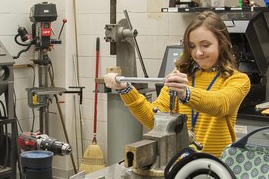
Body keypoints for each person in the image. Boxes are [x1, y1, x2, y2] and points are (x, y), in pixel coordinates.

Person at [104, 11, 251, 158]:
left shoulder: (237, 80)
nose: (198, 53)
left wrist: (186, 94)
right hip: (182, 165)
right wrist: (126, 90)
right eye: (192, 46)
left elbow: (221, 104)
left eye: (205, 45)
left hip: (217, 167)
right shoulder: (181, 76)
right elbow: (154, 119)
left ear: (222, 43)